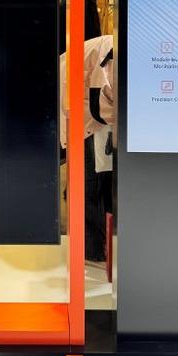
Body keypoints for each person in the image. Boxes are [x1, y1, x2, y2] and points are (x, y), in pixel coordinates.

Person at [59, 35, 114, 264]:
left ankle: (95, 246)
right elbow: (100, 105)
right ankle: (92, 249)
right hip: (84, 116)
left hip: (85, 111)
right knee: (91, 182)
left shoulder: (115, 47)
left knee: (93, 181)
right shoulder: (111, 53)